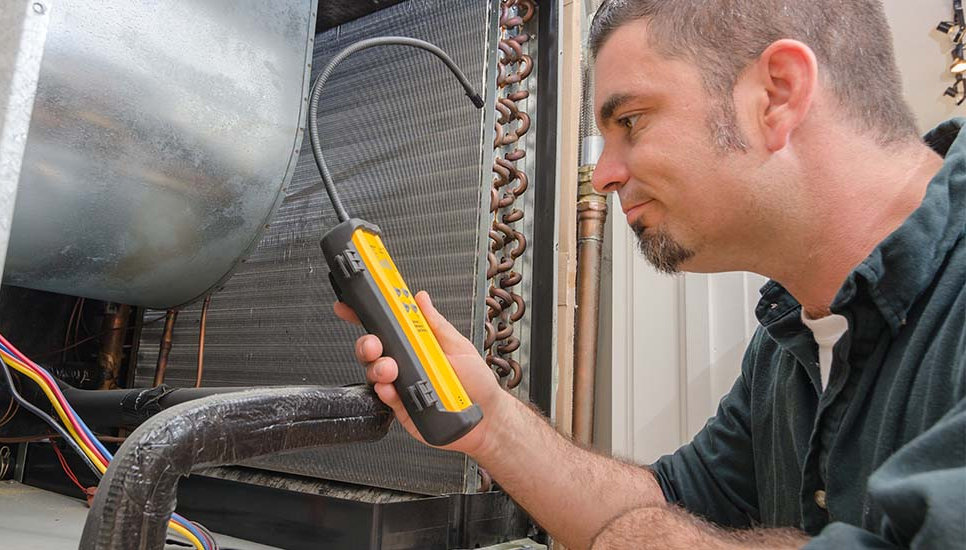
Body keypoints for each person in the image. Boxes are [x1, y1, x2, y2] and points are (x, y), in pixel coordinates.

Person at [335, 0, 966, 547]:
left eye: (630, 121)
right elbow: (671, 503)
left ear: (777, 92)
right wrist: (490, 421)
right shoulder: (789, 341)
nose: (603, 173)